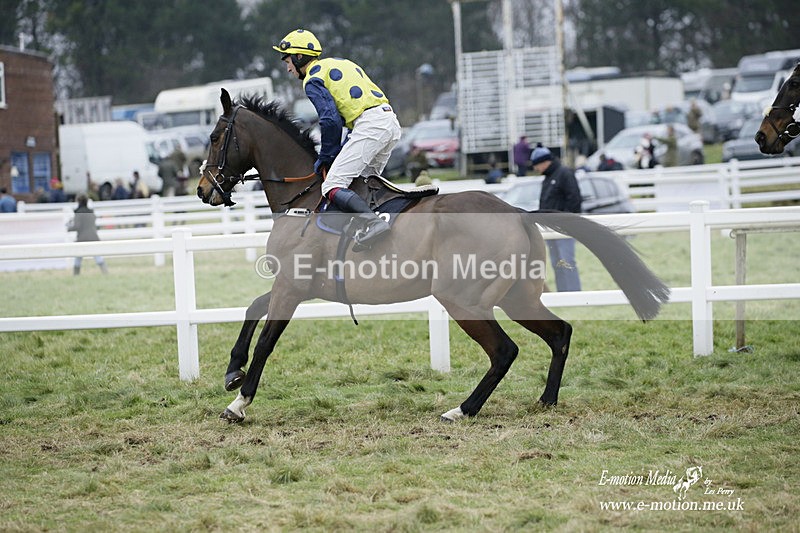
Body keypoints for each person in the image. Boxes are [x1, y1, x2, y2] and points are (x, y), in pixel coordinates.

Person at [273, 28, 402, 250]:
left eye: (288, 61)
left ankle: (373, 224)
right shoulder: (339, 63)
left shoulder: (312, 79)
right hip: (389, 122)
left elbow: (330, 120)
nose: (288, 68)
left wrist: (326, 155)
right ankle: (368, 231)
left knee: (332, 185)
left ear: (299, 56)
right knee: (362, 184)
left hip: (370, 126)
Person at [530, 143, 582, 292]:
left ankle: (574, 294)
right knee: (557, 263)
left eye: (536, 165)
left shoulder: (564, 174)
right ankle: (563, 294)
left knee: (567, 262)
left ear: (544, 162)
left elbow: (575, 199)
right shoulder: (548, 177)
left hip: (564, 228)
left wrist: (566, 222)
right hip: (551, 229)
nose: (536, 168)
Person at [67, 194, 108, 275]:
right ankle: (105, 273)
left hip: (82, 238)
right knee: (98, 257)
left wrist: (69, 228)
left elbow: (77, 226)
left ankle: (76, 275)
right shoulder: (91, 213)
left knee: (78, 258)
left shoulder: (78, 213)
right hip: (93, 237)